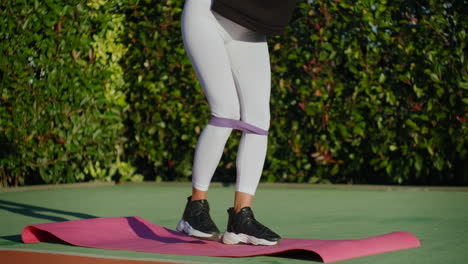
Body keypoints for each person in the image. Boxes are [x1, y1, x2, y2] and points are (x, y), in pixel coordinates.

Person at [176, 0, 297, 246]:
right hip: (207, 13)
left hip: (249, 29)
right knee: (226, 111)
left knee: (259, 120)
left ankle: (241, 218)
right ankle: (195, 209)